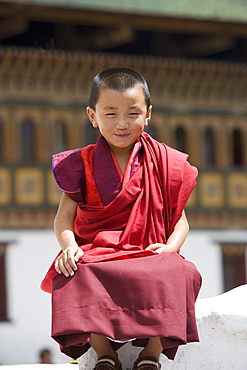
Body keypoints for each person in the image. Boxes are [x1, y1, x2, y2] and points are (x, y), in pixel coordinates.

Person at [41, 67, 202, 370]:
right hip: (100, 252)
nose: (122, 124)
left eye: (132, 113)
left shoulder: (164, 161)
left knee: (181, 270)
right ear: (93, 116)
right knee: (73, 272)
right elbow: (63, 218)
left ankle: (151, 354)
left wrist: (170, 248)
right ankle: (104, 353)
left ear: (148, 114)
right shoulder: (81, 163)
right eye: (111, 114)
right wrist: (68, 247)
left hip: (147, 252)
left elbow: (181, 221)